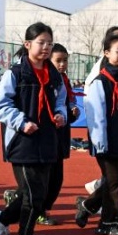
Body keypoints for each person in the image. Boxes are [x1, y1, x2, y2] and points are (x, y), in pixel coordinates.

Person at [0, 22, 67, 235]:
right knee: (34, 195)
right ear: (27, 44)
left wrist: (61, 114)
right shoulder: (16, 73)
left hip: (47, 139)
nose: (45, 48)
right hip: (23, 141)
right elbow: (1, 106)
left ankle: (1, 219)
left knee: (35, 193)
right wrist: (22, 121)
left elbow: (61, 99)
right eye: (41, 43)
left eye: (49, 44)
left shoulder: (54, 74)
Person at [77, 29, 118, 235]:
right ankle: (108, 222)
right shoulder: (100, 81)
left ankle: (88, 205)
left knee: (113, 180)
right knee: (114, 182)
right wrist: (99, 142)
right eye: (117, 51)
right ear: (106, 52)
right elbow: (96, 115)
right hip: (106, 140)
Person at [38, 43, 79, 225]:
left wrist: (72, 112)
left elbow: (67, 104)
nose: (62, 65)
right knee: (44, 177)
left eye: (65, 61)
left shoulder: (65, 81)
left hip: (61, 133)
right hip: (46, 134)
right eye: (58, 61)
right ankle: (40, 211)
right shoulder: (46, 80)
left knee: (57, 178)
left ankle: (40, 206)